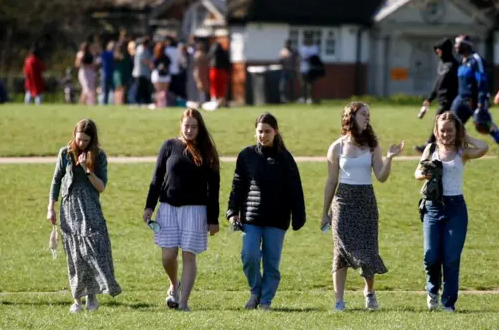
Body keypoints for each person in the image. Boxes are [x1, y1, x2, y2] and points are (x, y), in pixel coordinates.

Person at [321, 102, 405, 311]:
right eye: (363, 114)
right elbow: (331, 181)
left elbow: (381, 177)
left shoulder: (372, 146)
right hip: (343, 201)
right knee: (340, 251)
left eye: (368, 115)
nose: (367, 118)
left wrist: (390, 158)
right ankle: (339, 301)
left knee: (367, 250)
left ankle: (369, 292)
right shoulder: (337, 147)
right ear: (351, 117)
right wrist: (324, 212)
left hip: (366, 200)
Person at [143, 108, 220, 311]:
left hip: (195, 210)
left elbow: (214, 188)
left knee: (189, 256)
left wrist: (213, 219)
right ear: (181, 125)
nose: (190, 130)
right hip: (168, 208)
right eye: (187, 126)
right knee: (168, 256)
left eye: (194, 127)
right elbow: (156, 178)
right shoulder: (169, 146)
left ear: (199, 128)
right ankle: (173, 284)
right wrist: (149, 206)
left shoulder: (207, 151)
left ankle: (184, 302)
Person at [227, 113, 306, 310]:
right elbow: (238, 185)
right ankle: (255, 291)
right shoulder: (246, 156)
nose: (263, 135)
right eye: (260, 131)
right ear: (255, 132)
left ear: (275, 131)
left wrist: (298, 216)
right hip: (251, 219)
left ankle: (265, 301)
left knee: (271, 264)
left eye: (267, 131)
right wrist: (232, 212)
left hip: (276, 221)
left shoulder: (285, 159)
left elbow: (295, 189)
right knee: (249, 255)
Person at [414, 111, 489, 312]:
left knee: (451, 257)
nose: (445, 134)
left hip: (456, 208)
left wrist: (465, 137)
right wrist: (425, 174)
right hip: (432, 206)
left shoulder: (462, 152)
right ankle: (432, 291)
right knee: (431, 256)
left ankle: (449, 303)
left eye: (450, 130)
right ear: (436, 131)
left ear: (456, 131)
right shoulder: (430, 149)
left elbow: (484, 147)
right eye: (442, 130)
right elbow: (417, 172)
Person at [47, 119, 122, 313]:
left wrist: (88, 170)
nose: (81, 143)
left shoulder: (99, 156)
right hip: (69, 208)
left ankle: (92, 297)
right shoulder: (65, 153)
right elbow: (56, 180)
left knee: (91, 251)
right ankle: (76, 300)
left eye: (85, 140)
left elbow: (102, 187)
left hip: (90, 208)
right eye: (79, 139)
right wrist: (51, 207)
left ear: (92, 139)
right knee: (74, 254)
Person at [452, 35, 499, 157]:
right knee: (451, 124)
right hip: (461, 98)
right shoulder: (462, 61)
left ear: (466, 45)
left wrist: (481, 100)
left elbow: (482, 80)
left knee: (484, 124)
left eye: (458, 44)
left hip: (474, 99)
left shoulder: (476, 60)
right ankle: (454, 151)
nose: (456, 46)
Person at [415, 38, 459, 153]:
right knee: (450, 124)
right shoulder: (442, 64)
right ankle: (447, 147)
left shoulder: (454, 65)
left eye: (439, 50)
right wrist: (429, 99)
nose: (437, 52)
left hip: (449, 99)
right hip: (441, 99)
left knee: (440, 122)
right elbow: (438, 84)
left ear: (445, 50)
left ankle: (429, 146)